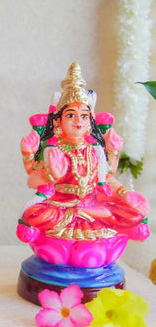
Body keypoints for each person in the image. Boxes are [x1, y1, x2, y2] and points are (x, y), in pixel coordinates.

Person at [17, 62, 149, 243]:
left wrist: (126, 195)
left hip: (93, 202)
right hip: (61, 205)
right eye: (71, 115)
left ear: (90, 121)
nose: (78, 120)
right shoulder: (53, 149)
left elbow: (107, 180)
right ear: (58, 122)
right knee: (34, 214)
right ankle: (84, 215)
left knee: (135, 213)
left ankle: (88, 213)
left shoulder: (95, 150)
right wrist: (51, 174)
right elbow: (32, 180)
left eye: (84, 115)